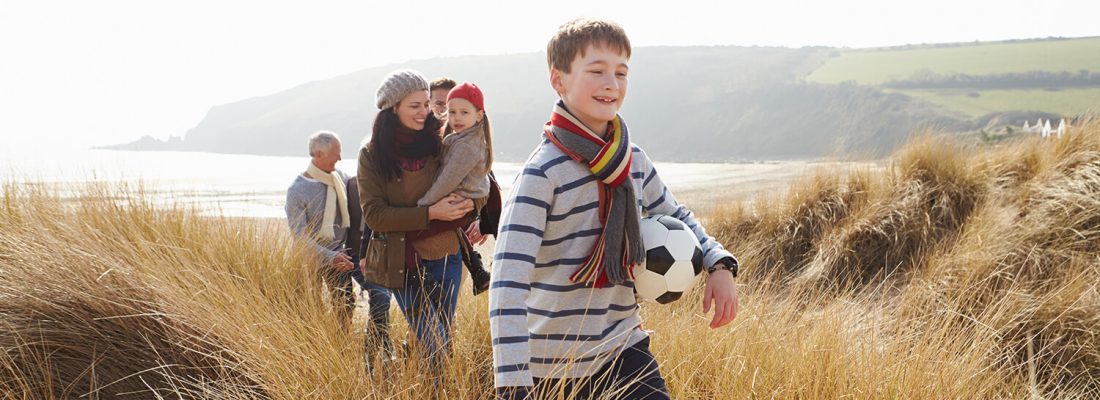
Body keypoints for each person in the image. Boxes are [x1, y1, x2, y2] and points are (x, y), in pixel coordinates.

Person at [489, 19, 741, 399]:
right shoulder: (542, 173)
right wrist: (512, 383)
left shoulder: (634, 161)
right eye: (597, 71)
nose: (612, 83)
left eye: (621, 73)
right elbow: (507, 281)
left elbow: (680, 218)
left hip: (622, 348)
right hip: (550, 364)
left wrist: (718, 265)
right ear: (558, 80)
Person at [356, 69, 475, 379]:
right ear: (392, 107)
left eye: (426, 103)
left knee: (441, 338)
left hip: (448, 254)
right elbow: (375, 215)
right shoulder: (371, 153)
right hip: (402, 262)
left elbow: (475, 175)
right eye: (415, 106)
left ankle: (432, 389)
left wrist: (474, 207)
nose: (426, 112)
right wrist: (431, 214)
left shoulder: (442, 142)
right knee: (433, 340)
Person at [416, 82, 494, 296]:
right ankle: (475, 269)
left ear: (478, 115)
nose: (455, 117)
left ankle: (474, 268)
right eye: (451, 111)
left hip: (458, 198)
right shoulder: (454, 137)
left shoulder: (468, 145)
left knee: (417, 230)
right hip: (456, 198)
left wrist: (421, 206)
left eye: (463, 112)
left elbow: (446, 181)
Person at [284, 130, 357, 325]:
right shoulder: (297, 190)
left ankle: (339, 347)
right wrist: (329, 256)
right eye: (336, 153)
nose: (340, 158)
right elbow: (299, 237)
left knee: (346, 306)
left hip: (340, 256)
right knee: (311, 311)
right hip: (311, 258)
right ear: (318, 154)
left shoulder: (340, 177)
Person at [345, 176, 396, 367]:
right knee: (381, 297)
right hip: (358, 258)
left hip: (388, 259)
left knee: (379, 303)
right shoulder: (349, 185)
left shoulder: (391, 186)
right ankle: (383, 350)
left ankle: (370, 361)